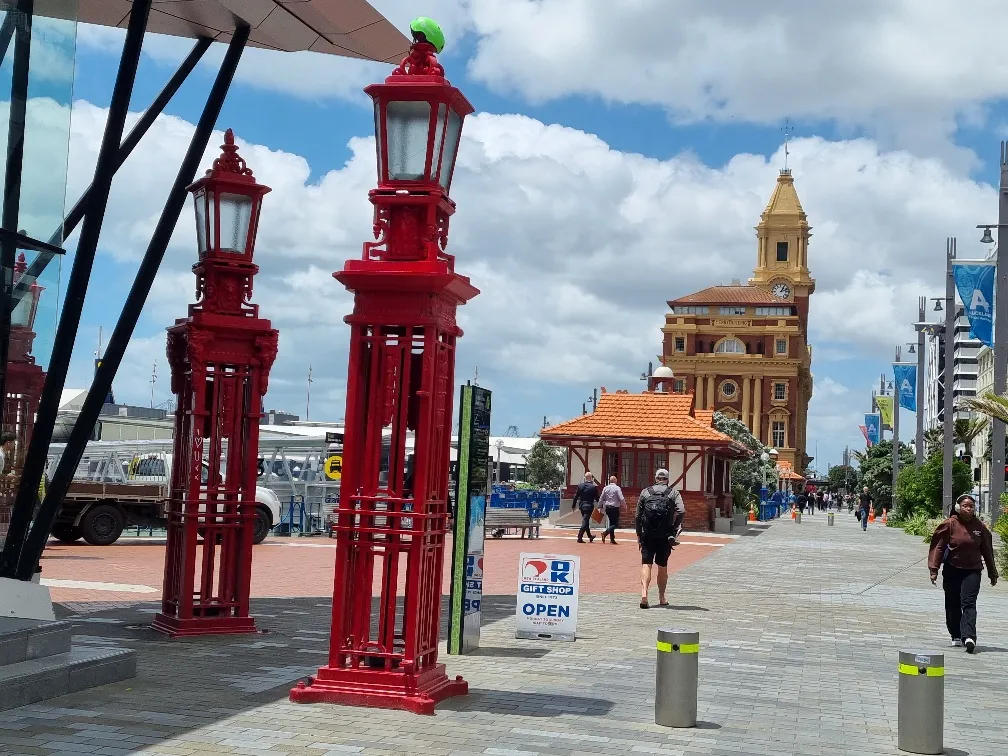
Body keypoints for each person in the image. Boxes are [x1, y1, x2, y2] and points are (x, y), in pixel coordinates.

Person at [928, 494, 998, 653]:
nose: (969, 508)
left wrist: (992, 573)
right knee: (952, 603)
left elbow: (987, 550)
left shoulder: (979, 527)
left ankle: (969, 637)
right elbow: (938, 547)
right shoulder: (950, 524)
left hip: (972, 570)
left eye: (971, 506)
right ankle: (956, 634)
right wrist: (934, 569)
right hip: (952, 569)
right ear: (959, 508)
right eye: (965, 506)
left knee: (969, 602)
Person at [635, 468, 682, 609]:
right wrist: (674, 528)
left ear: (655, 478)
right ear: (667, 479)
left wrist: (639, 533)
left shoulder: (645, 492)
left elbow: (637, 515)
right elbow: (681, 511)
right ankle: (661, 598)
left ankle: (644, 594)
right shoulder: (673, 493)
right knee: (662, 566)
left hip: (647, 534)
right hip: (665, 535)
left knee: (646, 563)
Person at [571, 472, 599, 543]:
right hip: (589, 506)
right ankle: (579, 537)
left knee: (585, 521)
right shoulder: (593, 487)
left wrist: (573, 506)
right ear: (590, 478)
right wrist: (600, 505)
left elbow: (576, 496)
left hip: (582, 506)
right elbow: (597, 498)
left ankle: (590, 536)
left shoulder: (580, 486)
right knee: (585, 521)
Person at [599, 475, 625, 544]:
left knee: (611, 523)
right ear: (615, 481)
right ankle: (605, 533)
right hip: (614, 507)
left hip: (608, 507)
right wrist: (624, 505)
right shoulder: (617, 488)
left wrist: (599, 506)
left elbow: (601, 498)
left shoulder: (605, 488)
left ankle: (612, 539)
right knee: (616, 524)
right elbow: (621, 498)